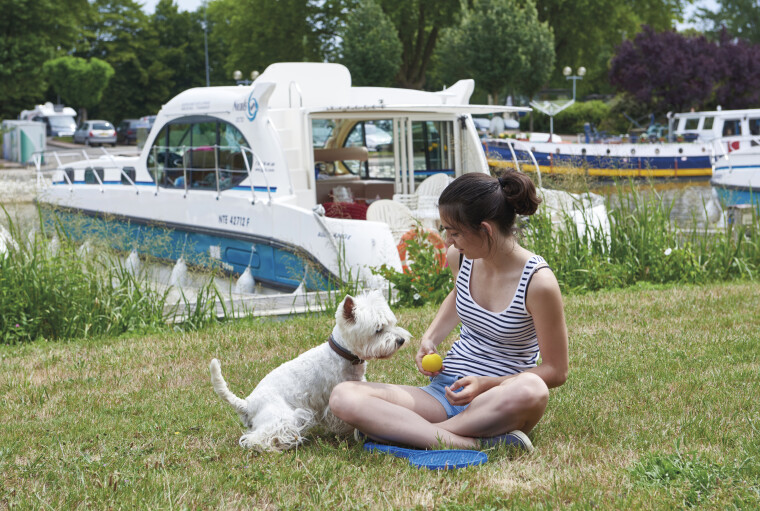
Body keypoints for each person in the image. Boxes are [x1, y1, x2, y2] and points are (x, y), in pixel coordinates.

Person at [329, 170, 569, 450]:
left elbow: (556, 370)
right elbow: (459, 296)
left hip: (496, 400)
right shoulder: (462, 257)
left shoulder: (539, 283)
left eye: (455, 232)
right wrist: (430, 339)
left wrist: (486, 384)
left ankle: (410, 433)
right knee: (343, 396)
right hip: (442, 393)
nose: (447, 241)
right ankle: (467, 443)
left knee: (533, 389)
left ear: (486, 229)